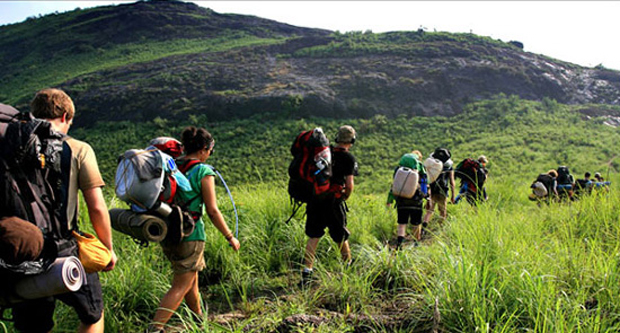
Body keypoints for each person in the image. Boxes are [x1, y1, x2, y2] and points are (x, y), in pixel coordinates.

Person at [12, 88, 117, 333]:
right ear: (66, 116)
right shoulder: (79, 149)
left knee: (32, 327)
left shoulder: (12, 146)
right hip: (64, 246)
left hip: (21, 248)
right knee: (93, 314)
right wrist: (108, 250)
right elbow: (97, 206)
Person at [148, 126, 240, 332]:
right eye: (210, 151)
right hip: (191, 234)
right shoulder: (203, 171)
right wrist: (230, 236)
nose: (209, 155)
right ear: (203, 150)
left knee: (192, 280)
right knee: (180, 285)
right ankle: (154, 328)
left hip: (169, 231)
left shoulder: (171, 167)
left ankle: (199, 321)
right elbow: (213, 210)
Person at [300, 125, 358, 287]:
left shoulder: (324, 153)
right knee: (341, 236)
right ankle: (348, 267)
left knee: (314, 236)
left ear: (337, 138)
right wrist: (344, 196)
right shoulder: (348, 158)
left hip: (316, 199)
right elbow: (350, 185)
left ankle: (307, 272)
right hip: (334, 201)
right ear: (352, 140)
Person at [387, 150, 429, 249]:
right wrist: (426, 196)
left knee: (402, 223)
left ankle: (400, 243)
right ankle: (416, 243)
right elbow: (424, 183)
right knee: (416, 223)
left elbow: (394, 185)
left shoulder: (399, 169)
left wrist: (390, 200)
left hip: (401, 200)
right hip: (415, 199)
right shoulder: (420, 168)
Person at [422, 150, 456, 229]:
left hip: (431, 189)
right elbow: (452, 181)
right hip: (443, 190)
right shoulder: (449, 167)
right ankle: (440, 228)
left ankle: (424, 224)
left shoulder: (431, 165)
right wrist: (453, 195)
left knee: (429, 210)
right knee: (442, 211)